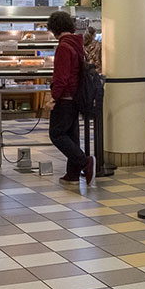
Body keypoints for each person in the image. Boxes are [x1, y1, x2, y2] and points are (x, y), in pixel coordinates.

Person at [48, 11, 94, 184]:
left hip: (65, 98)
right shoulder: (77, 44)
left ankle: (84, 161)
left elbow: (61, 77)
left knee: (57, 134)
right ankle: (72, 174)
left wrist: (53, 98)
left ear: (54, 29)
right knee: (72, 134)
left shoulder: (63, 47)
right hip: (76, 96)